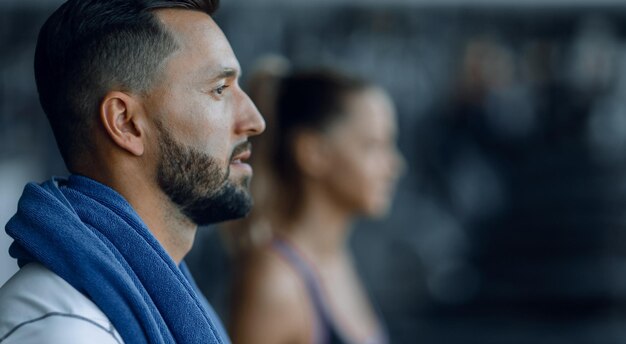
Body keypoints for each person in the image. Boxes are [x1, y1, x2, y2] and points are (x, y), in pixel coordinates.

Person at [0, 0, 265, 343]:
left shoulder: (162, 299)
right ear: (126, 123)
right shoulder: (65, 331)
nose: (255, 121)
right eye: (219, 89)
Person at [228, 67, 404, 344]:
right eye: (373, 146)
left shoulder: (336, 256)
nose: (394, 166)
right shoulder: (275, 283)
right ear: (312, 152)